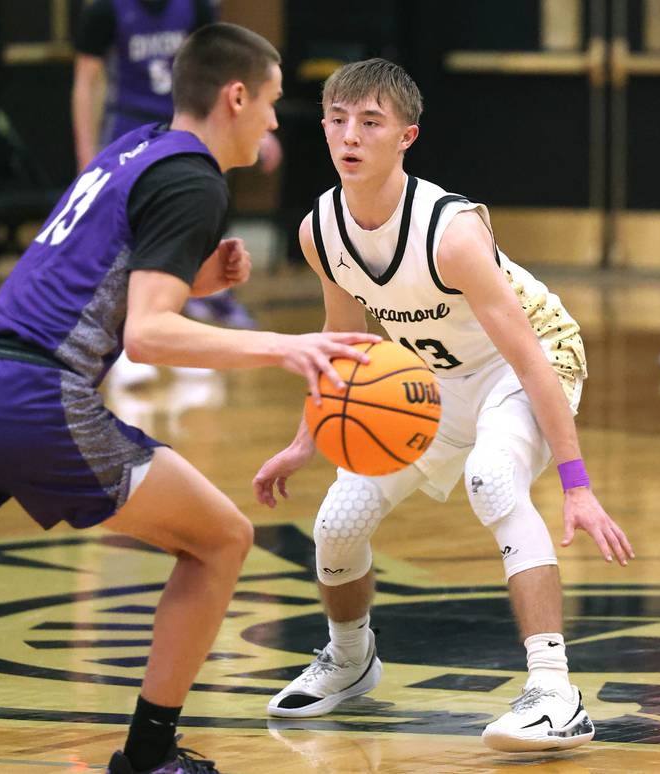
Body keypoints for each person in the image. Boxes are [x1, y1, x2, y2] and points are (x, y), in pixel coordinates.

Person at [0, 24, 380, 774]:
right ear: (236, 96)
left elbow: (91, 273)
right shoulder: (195, 180)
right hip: (28, 396)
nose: (276, 122)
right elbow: (148, 337)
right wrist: (286, 346)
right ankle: (149, 755)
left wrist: (191, 277)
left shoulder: (138, 148)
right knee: (220, 541)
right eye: (273, 103)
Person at [253, 58, 635, 753]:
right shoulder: (321, 230)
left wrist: (578, 486)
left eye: (371, 121)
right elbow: (344, 348)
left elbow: (527, 357)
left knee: (493, 478)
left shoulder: (451, 231)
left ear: (407, 135)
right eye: (338, 119)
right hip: (430, 382)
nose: (350, 135)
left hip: (531, 364)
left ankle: (556, 692)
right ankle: (350, 659)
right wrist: (305, 441)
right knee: (336, 523)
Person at [72, 0, 278, 355]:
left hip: (186, 121)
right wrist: (86, 157)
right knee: (125, 236)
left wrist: (257, 127)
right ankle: (122, 329)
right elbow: (85, 84)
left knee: (199, 211)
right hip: (128, 124)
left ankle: (201, 308)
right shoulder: (105, 11)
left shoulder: (195, 8)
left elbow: (221, 69)